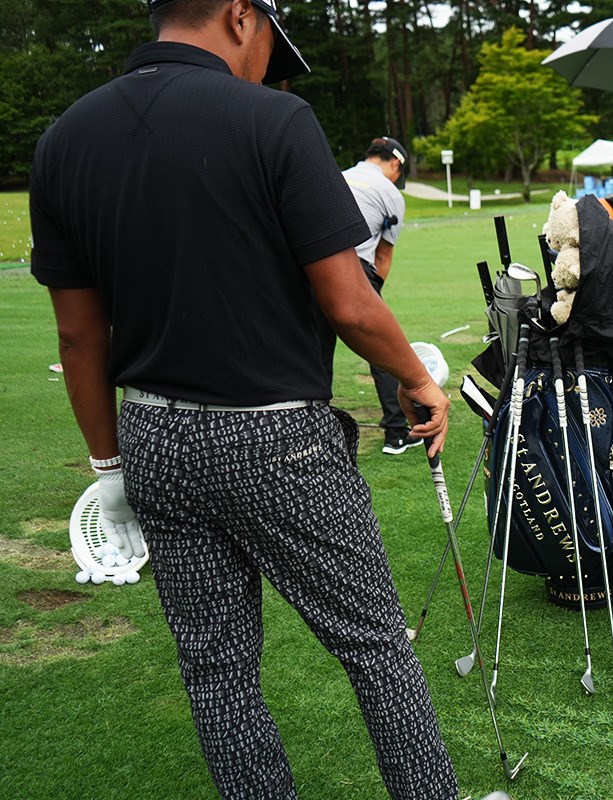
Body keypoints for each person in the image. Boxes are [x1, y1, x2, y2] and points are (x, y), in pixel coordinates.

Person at [29, 2, 458, 798]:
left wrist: (108, 465)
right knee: (376, 647)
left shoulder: (64, 141)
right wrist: (418, 378)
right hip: (277, 441)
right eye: (268, 40)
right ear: (238, 14)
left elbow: (81, 341)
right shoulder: (275, 119)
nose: (268, 61)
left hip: (153, 440)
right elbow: (349, 303)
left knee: (218, 672)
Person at [343, 137, 420, 455]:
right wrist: (371, 304)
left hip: (308, 267)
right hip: (353, 269)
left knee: (313, 350)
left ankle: (305, 429)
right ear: (396, 164)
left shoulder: (341, 176)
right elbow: (383, 257)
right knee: (381, 349)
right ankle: (396, 433)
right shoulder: (391, 193)